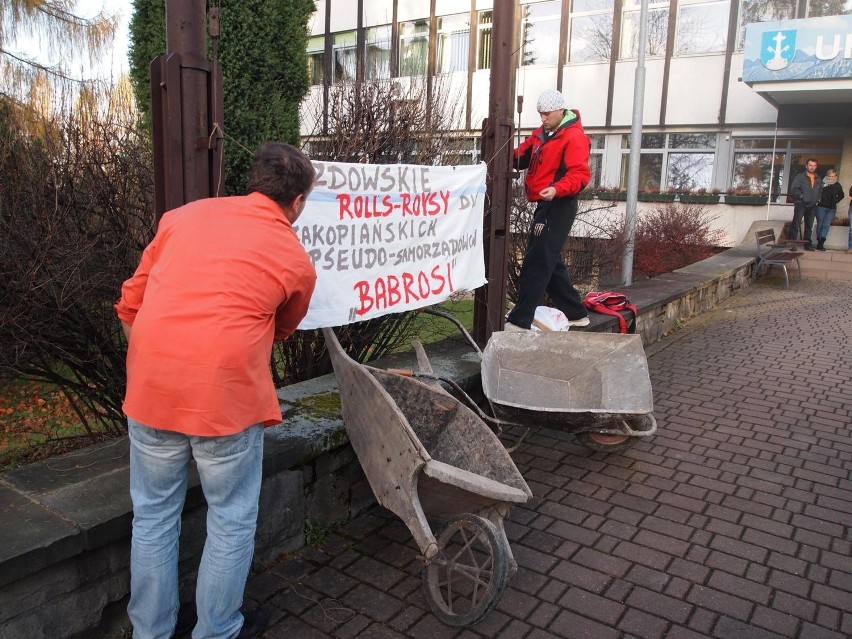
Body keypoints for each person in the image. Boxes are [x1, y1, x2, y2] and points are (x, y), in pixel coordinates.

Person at [114, 142, 317, 639]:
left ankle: (150, 632)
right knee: (230, 520)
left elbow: (129, 306)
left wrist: (156, 365)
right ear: (297, 203)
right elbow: (282, 327)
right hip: (227, 404)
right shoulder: (295, 259)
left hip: (150, 396)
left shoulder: (182, 217)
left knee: (154, 517)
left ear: (255, 184)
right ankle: (217, 629)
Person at [505, 89, 591, 331]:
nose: (543, 118)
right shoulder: (542, 134)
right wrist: (500, 153)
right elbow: (521, 156)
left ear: (561, 111)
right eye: (540, 114)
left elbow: (580, 174)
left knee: (538, 259)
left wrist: (556, 189)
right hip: (546, 202)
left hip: (559, 202)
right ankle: (576, 313)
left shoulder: (573, 137)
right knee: (550, 260)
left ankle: (521, 319)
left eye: (547, 114)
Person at [789, 158, 822, 250]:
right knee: (796, 224)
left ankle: (807, 244)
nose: (812, 167)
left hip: (812, 206)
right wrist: (802, 197)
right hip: (801, 204)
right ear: (806, 166)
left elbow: (820, 190)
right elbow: (794, 189)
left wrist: (818, 199)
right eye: (810, 165)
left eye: (814, 165)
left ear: (816, 166)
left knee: (809, 226)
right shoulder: (800, 177)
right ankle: (792, 244)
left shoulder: (818, 178)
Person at [813, 168, 844, 251]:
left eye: (833, 176)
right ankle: (819, 240)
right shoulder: (821, 184)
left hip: (831, 209)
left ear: (836, 176)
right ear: (827, 176)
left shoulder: (838, 185)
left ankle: (821, 243)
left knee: (826, 225)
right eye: (830, 176)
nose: (831, 178)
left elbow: (841, 195)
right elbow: (815, 193)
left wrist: (835, 201)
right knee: (820, 224)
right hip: (821, 207)